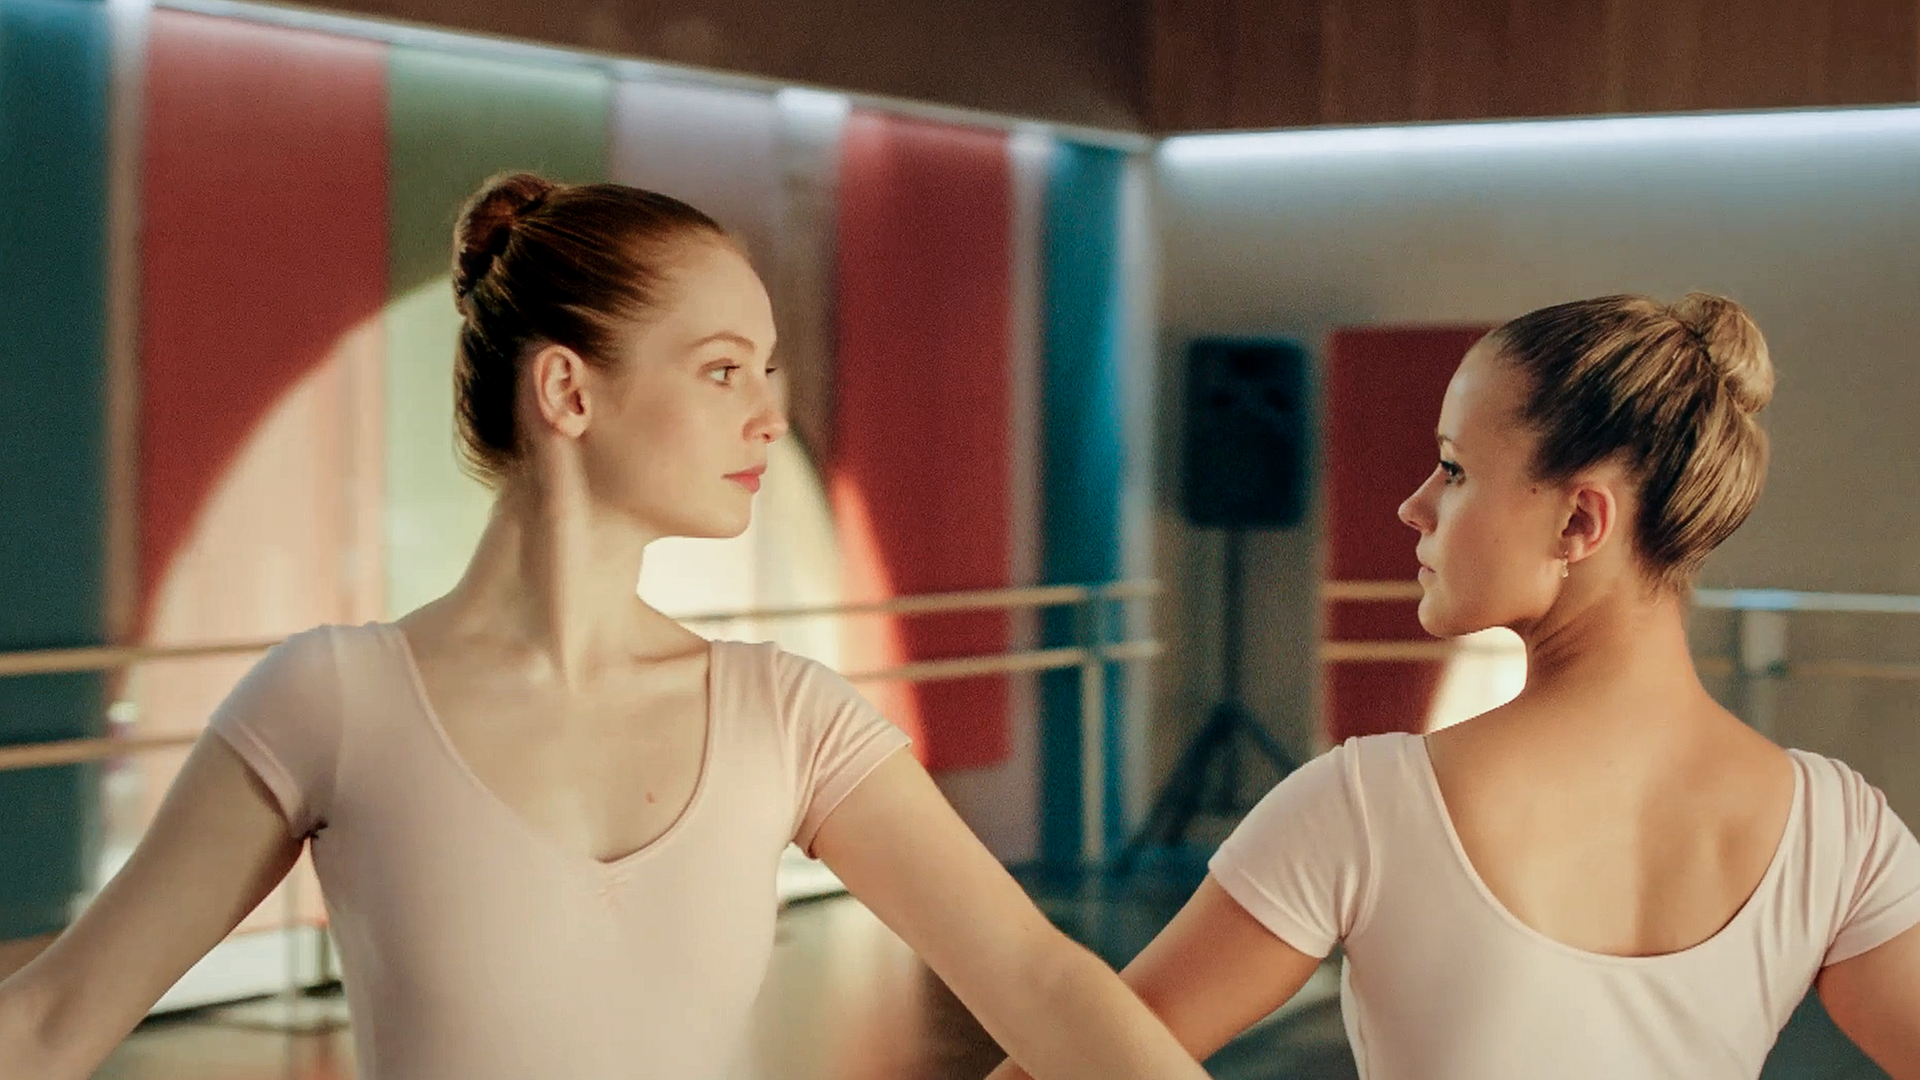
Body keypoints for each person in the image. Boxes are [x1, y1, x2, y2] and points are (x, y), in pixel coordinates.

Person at [0, 174, 1211, 1080]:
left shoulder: (783, 715)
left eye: (771, 372)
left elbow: (1043, 984)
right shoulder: (332, 700)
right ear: (570, 391)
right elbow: (56, 1021)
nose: (766, 418)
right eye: (725, 369)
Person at [988, 293, 1920, 1079]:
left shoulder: (1362, 807)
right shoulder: (1840, 832)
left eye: (1453, 468)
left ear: (1579, 521)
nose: (1414, 506)